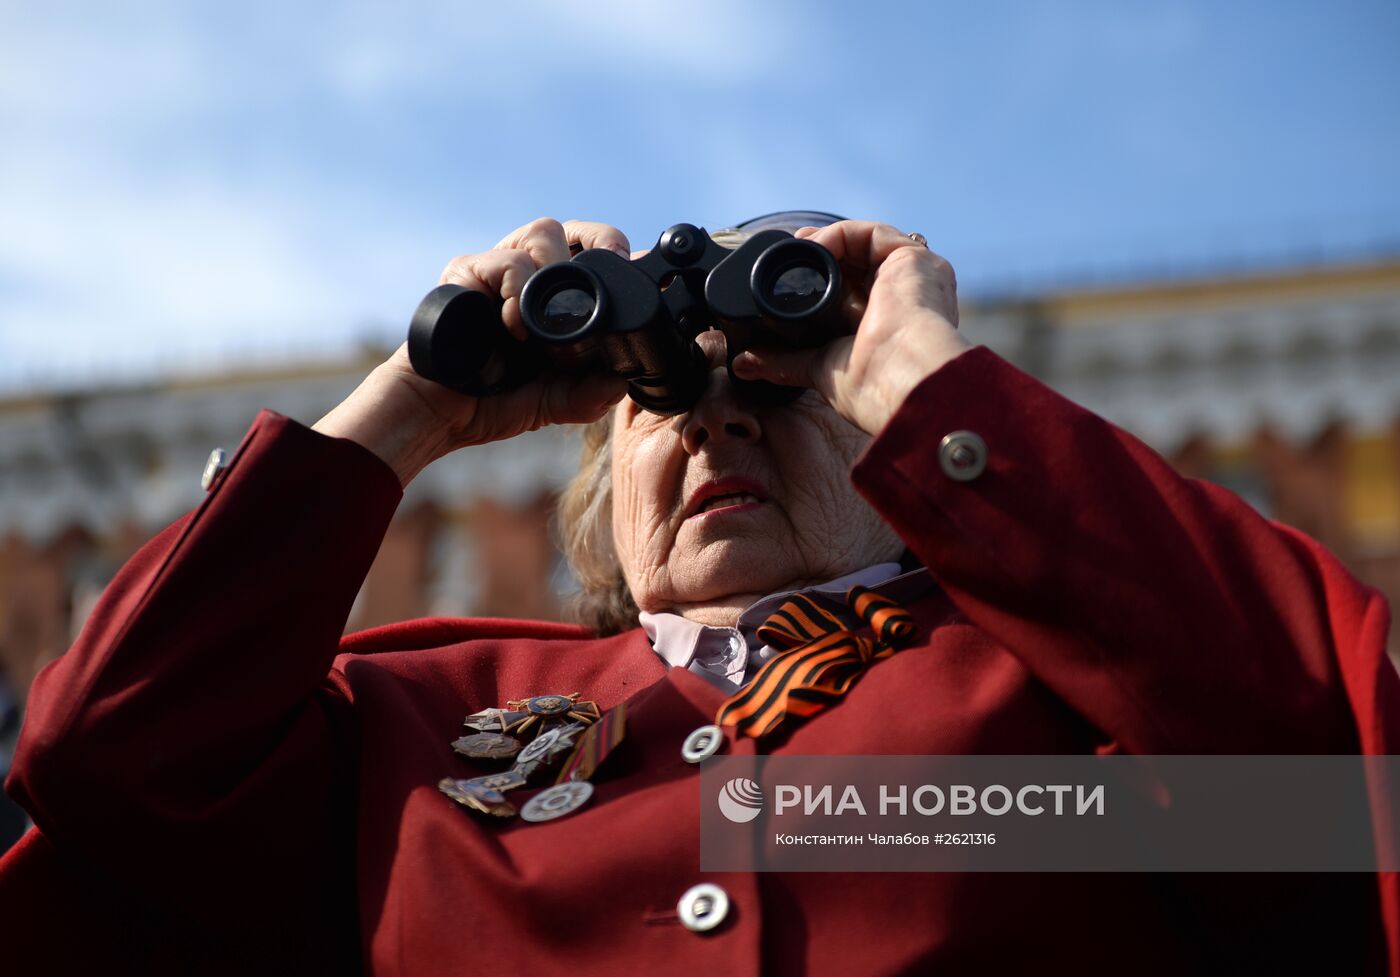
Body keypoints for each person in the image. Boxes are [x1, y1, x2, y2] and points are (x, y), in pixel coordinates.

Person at [0, 212, 1397, 975]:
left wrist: (923, 382)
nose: (717, 422)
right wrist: (410, 408)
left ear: (884, 454)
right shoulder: (408, 727)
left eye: (778, 390)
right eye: (658, 403)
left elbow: (1335, 765)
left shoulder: (1069, 686)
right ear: (599, 489)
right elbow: (105, 763)